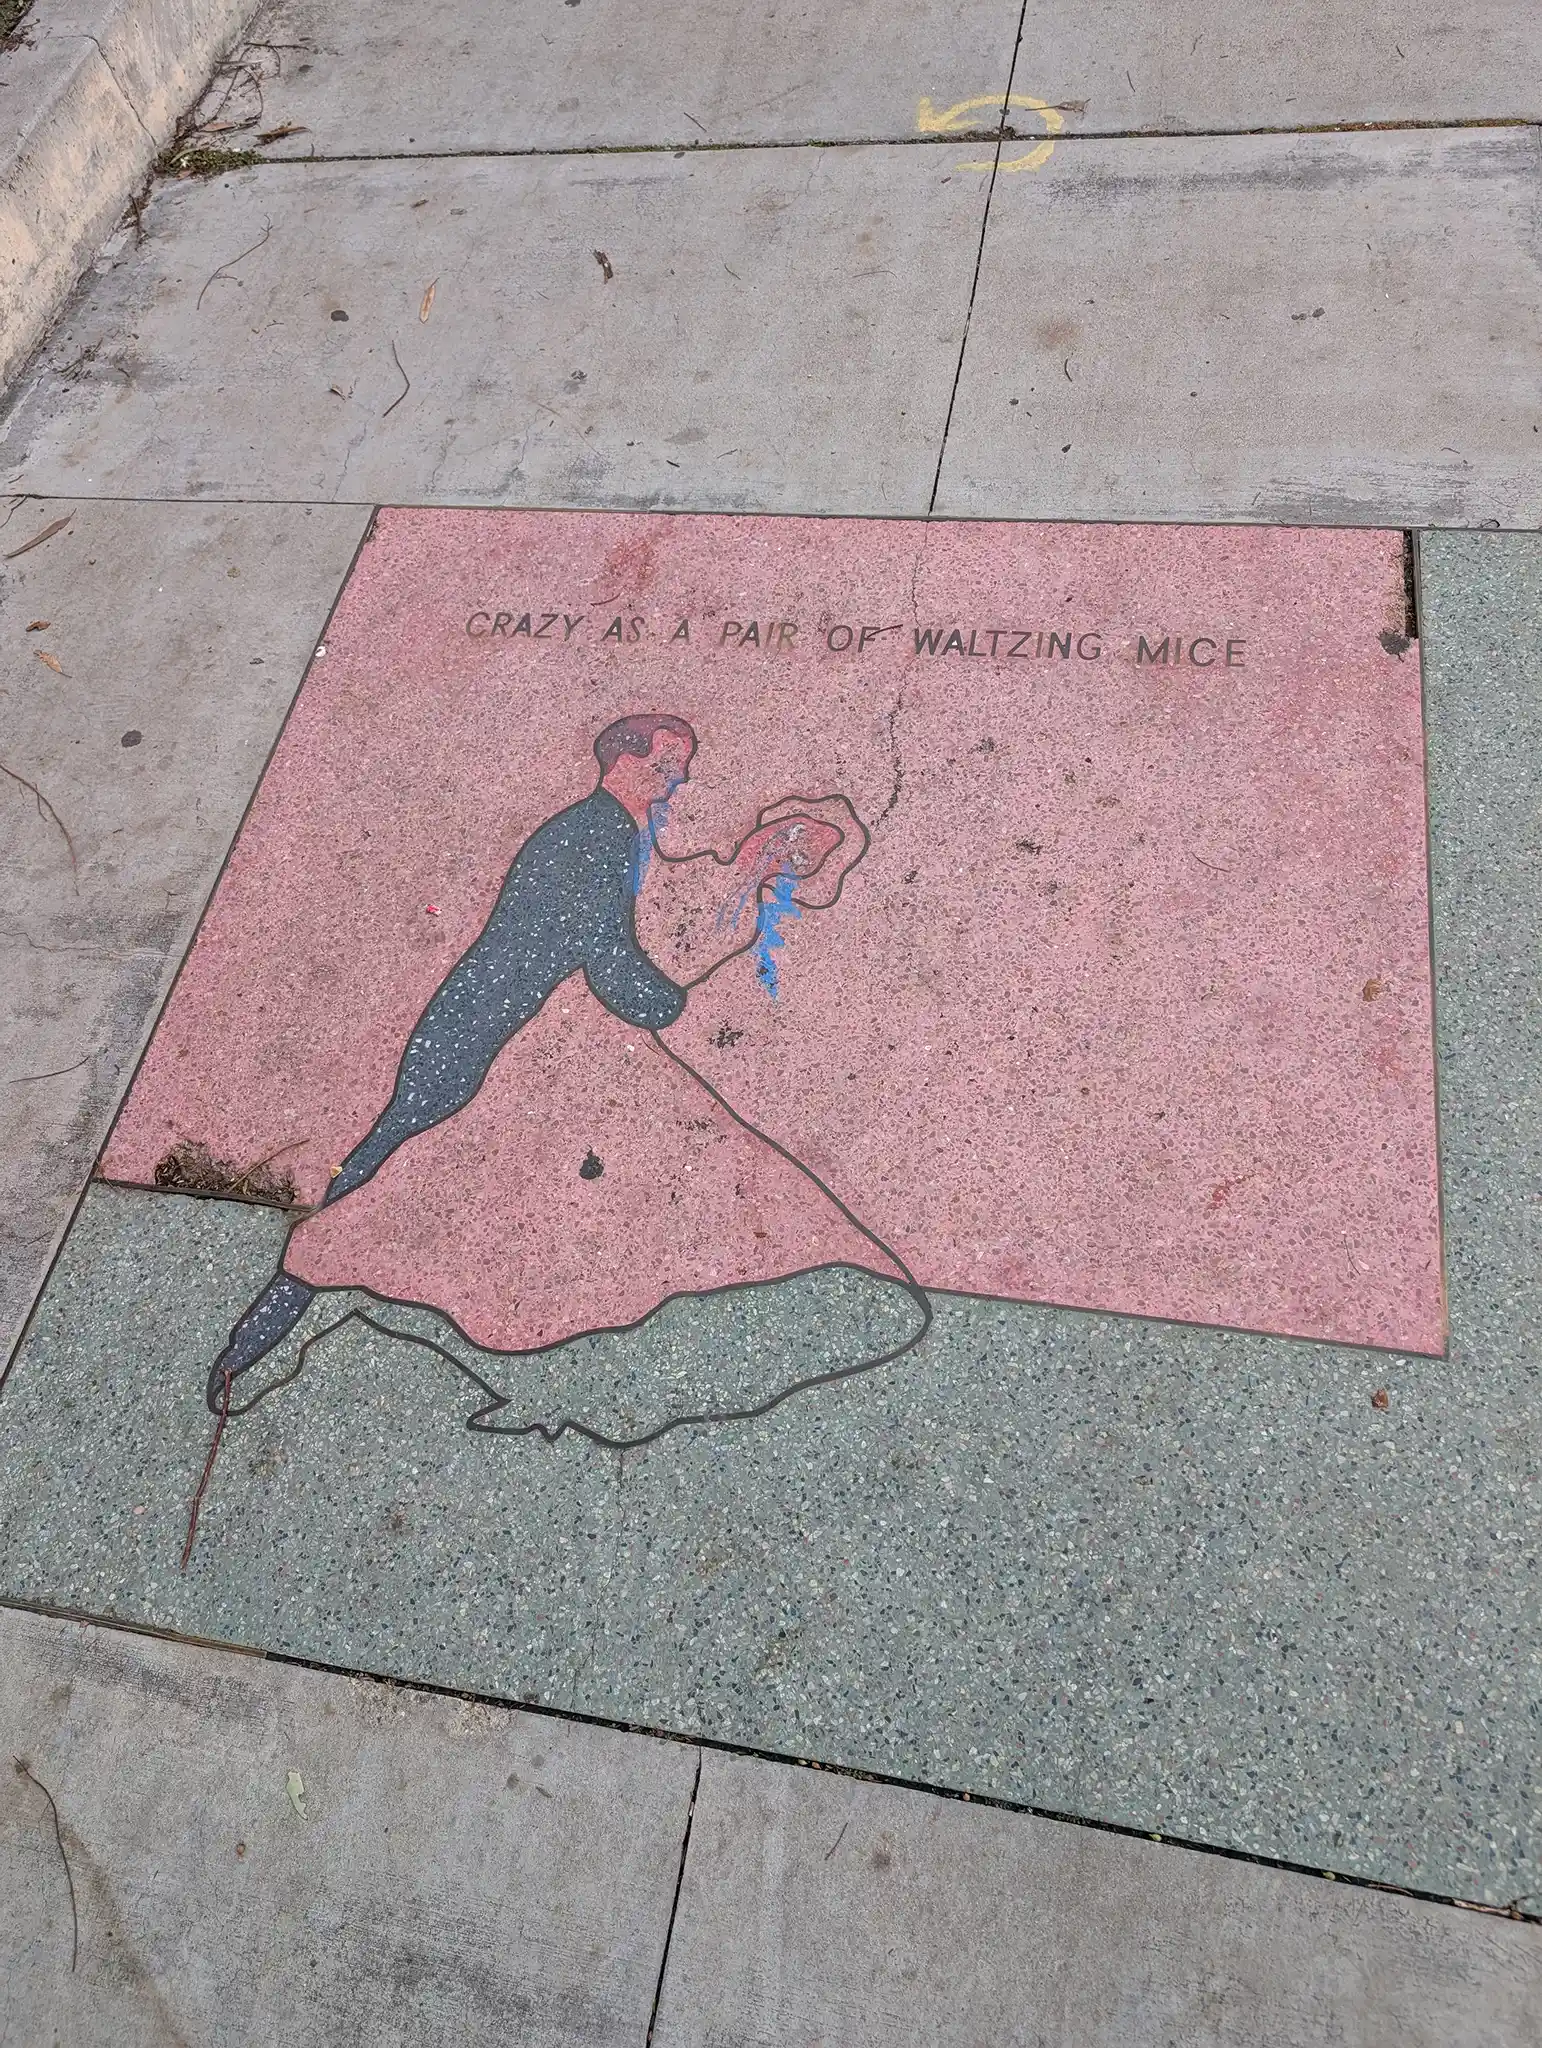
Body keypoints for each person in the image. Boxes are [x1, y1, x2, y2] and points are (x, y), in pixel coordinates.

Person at [205, 712, 844, 1410]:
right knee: (376, 1166)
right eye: (667, 762)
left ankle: (270, 1328)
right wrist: (663, 1003)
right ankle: (259, 1336)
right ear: (623, 761)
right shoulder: (593, 834)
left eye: (680, 764)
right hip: (478, 1027)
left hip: (497, 1021)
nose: (680, 775)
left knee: (386, 1164)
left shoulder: (618, 835)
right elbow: (606, 953)